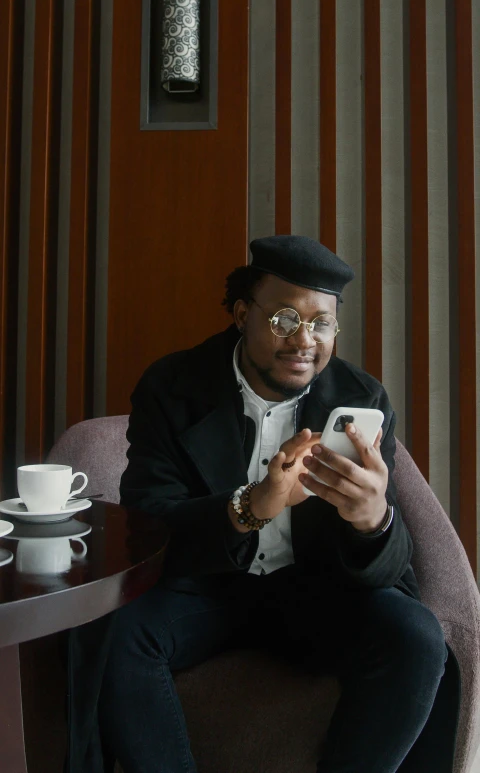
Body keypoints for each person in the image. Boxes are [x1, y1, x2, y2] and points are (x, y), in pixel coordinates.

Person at [96, 235, 458, 773]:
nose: (304, 340)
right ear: (243, 313)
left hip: (315, 592)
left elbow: (391, 566)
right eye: (285, 319)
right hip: (207, 588)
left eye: (322, 323)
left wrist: (372, 521)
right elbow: (147, 522)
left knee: (418, 637)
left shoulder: (362, 399)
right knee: (113, 635)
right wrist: (252, 506)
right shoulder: (171, 386)